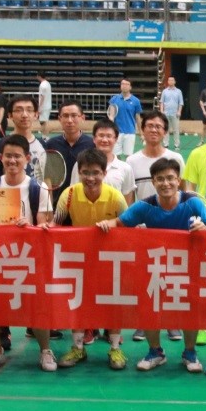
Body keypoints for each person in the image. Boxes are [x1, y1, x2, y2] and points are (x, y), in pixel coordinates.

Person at [97, 157, 206, 372]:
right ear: (153, 182)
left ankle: (190, 353)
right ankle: (155, 352)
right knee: (150, 308)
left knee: (190, 309)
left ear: (178, 180)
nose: (165, 183)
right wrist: (106, 223)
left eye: (170, 178)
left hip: (188, 267)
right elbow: (120, 223)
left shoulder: (193, 202)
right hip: (155, 266)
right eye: (160, 179)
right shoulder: (145, 205)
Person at [0, 134, 56, 372]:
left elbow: (44, 225)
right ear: (1, 158)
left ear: (27, 158)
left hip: (28, 259)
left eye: (17, 156)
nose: (12, 160)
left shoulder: (38, 188)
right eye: (8, 156)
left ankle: (45, 351)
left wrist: (28, 227)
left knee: (36, 308)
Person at [52, 148, 130, 370]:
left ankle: (115, 348)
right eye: (85, 172)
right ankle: (78, 347)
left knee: (113, 303)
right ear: (79, 172)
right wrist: (45, 228)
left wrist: (113, 225)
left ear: (104, 173)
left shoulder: (115, 197)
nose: (90, 178)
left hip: (110, 260)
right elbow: (56, 223)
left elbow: (128, 225)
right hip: (79, 259)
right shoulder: (68, 195)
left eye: (96, 172)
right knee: (78, 302)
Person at [43, 101, 95, 204]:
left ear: (83, 118)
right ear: (59, 119)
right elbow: (48, 179)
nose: (70, 120)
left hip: (84, 204)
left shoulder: (92, 145)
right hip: (57, 203)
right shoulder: (51, 144)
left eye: (74, 115)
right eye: (65, 116)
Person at [0, 95, 47, 180]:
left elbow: (47, 178)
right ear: (10, 115)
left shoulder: (44, 145)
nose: (24, 115)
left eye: (29, 110)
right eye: (19, 110)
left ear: (36, 115)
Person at [127, 111, 184, 201]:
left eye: (158, 127)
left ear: (165, 132)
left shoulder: (176, 158)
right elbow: (130, 199)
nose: (154, 130)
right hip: (144, 210)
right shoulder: (131, 161)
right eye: (150, 126)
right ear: (143, 130)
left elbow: (183, 192)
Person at [78, 119, 135, 204]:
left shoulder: (126, 168)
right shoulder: (80, 164)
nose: (104, 140)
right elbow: (74, 194)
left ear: (116, 139)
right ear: (94, 139)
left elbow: (128, 203)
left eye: (109, 136)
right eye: (101, 135)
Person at [107, 78, 143, 158]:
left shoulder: (136, 101)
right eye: (122, 84)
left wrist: (141, 133)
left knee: (129, 156)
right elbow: (111, 115)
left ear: (130, 87)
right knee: (115, 156)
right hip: (117, 132)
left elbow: (138, 118)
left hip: (130, 132)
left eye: (127, 84)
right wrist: (111, 122)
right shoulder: (114, 99)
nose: (124, 86)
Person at [158, 76, 185, 149]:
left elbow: (181, 103)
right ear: (168, 82)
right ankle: (165, 144)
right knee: (166, 129)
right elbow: (161, 102)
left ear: (175, 82)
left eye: (172, 80)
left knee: (176, 130)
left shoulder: (178, 91)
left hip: (175, 113)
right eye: (169, 80)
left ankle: (177, 145)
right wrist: (161, 111)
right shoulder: (164, 91)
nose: (171, 81)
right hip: (166, 113)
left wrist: (179, 111)